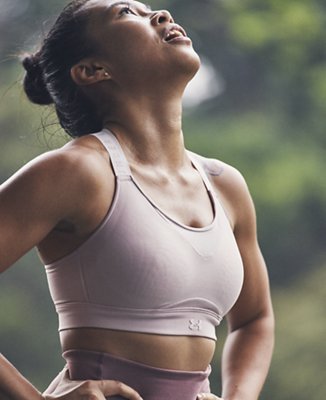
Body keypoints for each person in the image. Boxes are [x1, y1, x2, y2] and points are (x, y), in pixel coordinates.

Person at [0, 0, 275, 399]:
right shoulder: (77, 172)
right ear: (93, 71)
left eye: (151, 10)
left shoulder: (225, 185)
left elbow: (254, 318)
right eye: (128, 13)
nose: (160, 15)